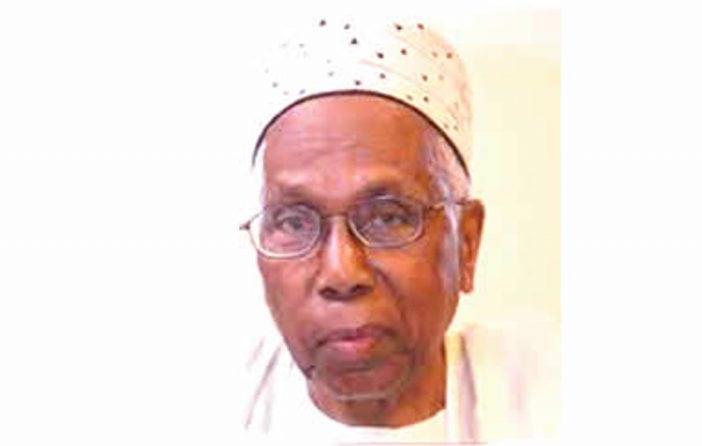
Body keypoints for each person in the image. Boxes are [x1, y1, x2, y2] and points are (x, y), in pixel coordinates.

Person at [239, 17, 557, 444]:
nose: (341, 273)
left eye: (388, 217)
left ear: (466, 243)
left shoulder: (549, 396)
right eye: (294, 222)